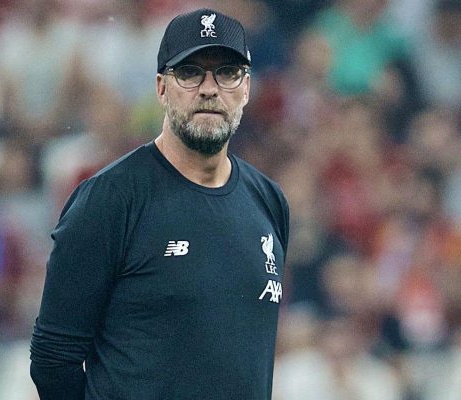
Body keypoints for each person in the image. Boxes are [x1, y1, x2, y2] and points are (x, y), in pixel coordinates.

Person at [30, 8, 290, 400]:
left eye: (227, 72)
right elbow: (53, 358)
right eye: (189, 72)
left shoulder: (268, 200)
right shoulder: (111, 199)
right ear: (161, 88)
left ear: (247, 88)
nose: (208, 88)